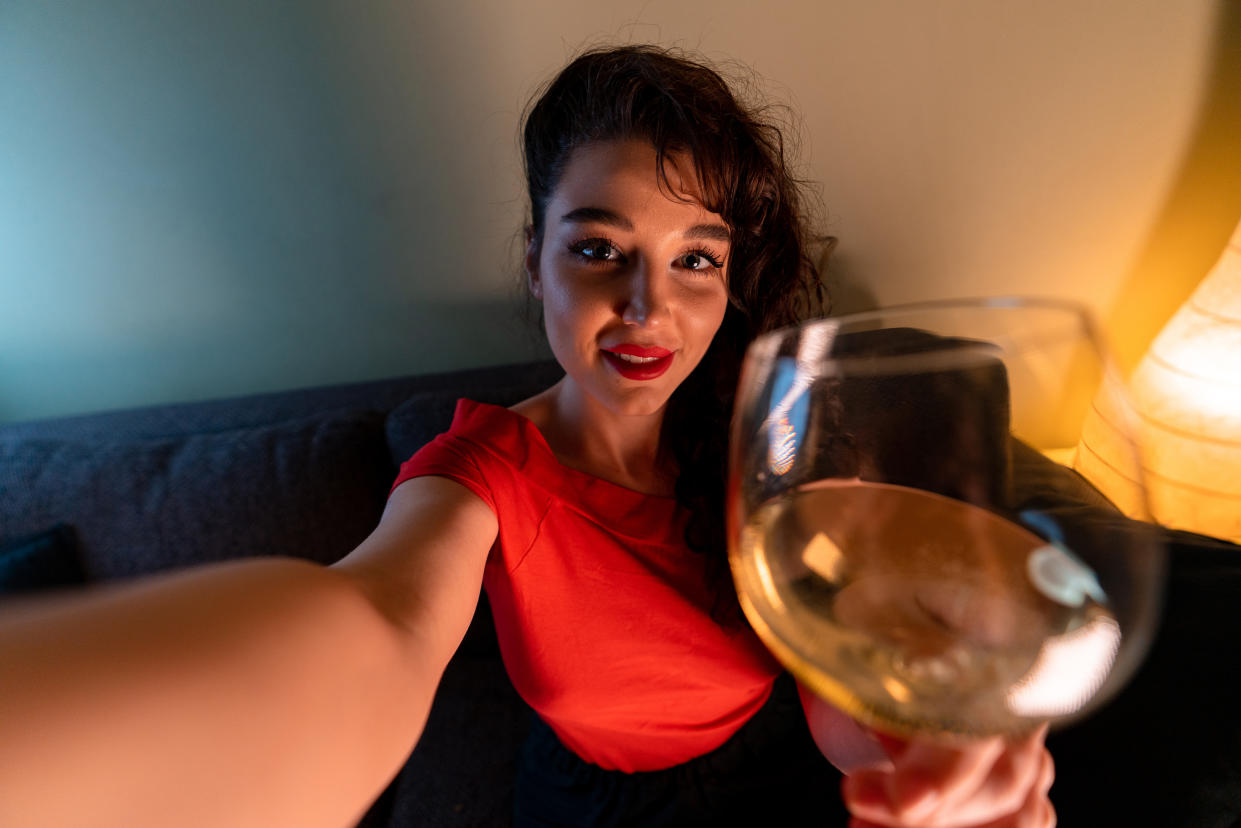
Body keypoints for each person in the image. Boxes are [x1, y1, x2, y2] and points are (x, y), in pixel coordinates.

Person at [0, 45, 1053, 827]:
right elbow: (377, 625)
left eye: (695, 259)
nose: (648, 308)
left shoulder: (763, 434)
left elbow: (843, 690)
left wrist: (944, 754)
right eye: (599, 248)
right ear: (536, 263)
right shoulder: (481, 471)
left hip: (772, 780)